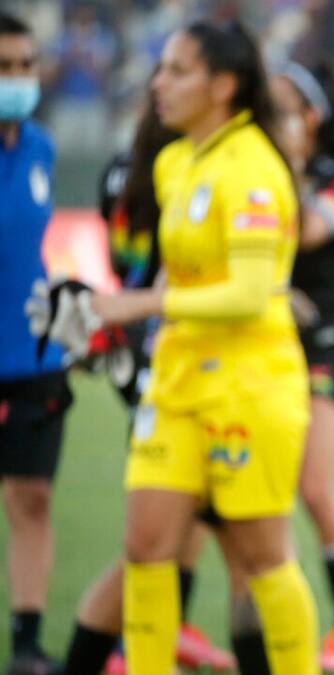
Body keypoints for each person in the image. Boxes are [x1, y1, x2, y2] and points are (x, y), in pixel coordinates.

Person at [58, 20, 318, 674]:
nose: (158, 83)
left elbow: (253, 295)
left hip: (250, 385)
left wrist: (138, 305)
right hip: (174, 382)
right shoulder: (176, 161)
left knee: (262, 557)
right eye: (161, 68)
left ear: (223, 85)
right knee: (146, 545)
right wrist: (105, 320)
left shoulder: (256, 166)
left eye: (176, 70)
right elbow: (185, 274)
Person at [58, 86, 237, 675]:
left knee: (177, 531)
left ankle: (145, 643)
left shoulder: (127, 168)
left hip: (151, 353)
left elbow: (120, 265)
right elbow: (163, 272)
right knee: (204, 537)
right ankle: (111, 654)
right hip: (171, 360)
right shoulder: (185, 169)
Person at [270, 60, 334, 672]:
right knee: (264, 499)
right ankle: (285, 625)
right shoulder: (252, 173)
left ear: (312, 117)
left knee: (312, 485)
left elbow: (306, 231)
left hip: (328, 345)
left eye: (280, 107)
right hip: (268, 347)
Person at [0, 12, 72, 675]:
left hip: (34, 358)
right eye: (5, 66)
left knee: (32, 499)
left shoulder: (43, 148)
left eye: (25, 65)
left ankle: (25, 642)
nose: (17, 79)